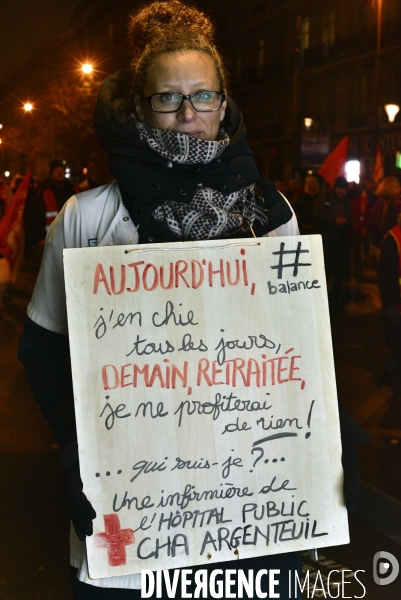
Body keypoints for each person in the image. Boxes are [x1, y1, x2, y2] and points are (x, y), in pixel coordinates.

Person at [18, 2, 363, 598]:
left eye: (202, 96)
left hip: (252, 511)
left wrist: (330, 439)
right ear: (139, 106)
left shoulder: (269, 213)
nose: (186, 113)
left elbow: (299, 354)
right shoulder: (89, 216)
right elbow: (42, 348)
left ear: (224, 106)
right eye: (167, 97)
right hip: (135, 515)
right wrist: (87, 449)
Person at [314, 176, 354, 311]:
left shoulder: (347, 201)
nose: (342, 192)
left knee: (340, 273)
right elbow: (317, 216)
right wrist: (334, 220)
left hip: (341, 241)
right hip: (328, 240)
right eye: (340, 188)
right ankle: (322, 301)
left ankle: (336, 301)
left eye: (344, 189)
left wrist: (346, 221)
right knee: (327, 271)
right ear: (335, 187)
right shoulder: (325, 198)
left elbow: (351, 218)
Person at [27, 159, 79, 247]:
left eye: (61, 171)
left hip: (72, 239)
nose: (59, 173)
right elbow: (38, 217)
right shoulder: (44, 193)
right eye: (56, 171)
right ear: (51, 173)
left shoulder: (75, 191)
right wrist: (40, 238)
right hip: (51, 241)